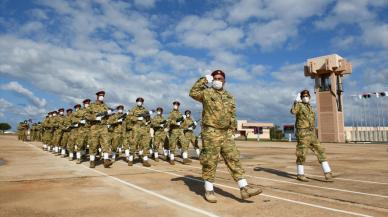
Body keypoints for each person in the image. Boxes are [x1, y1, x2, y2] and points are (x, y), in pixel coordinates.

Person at [189, 69, 262, 203]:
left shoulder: (229, 96)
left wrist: (232, 129)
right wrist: (204, 80)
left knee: (233, 159)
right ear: (212, 80)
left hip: (226, 133)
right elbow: (192, 92)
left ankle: (244, 188)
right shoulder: (206, 93)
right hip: (211, 132)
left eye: (220, 79)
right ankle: (209, 190)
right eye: (215, 78)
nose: (218, 80)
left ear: (224, 81)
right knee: (210, 161)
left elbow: (232, 114)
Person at [290, 89, 334, 182]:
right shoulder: (299, 105)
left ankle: (328, 172)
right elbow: (293, 112)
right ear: (301, 98)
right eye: (303, 96)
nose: (305, 97)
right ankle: (300, 174)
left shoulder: (310, 107)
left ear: (309, 97)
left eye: (307, 96)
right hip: (302, 133)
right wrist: (296, 102)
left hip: (311, 133)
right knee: (302, 153)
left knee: (320, 150)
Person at [85, 91, 113, 168]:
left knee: (106, 143)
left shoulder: (105, 106)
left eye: (103, 96)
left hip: (103, 127)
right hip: (94, 127)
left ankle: (106, 160)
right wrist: (95, 118)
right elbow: (86, 115)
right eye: (100, 95)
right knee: (93, 144)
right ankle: (92, 161)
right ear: (97, 96)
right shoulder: (92, 105)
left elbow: (108, 118)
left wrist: (109, 115)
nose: (102, 97)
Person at [127, 97, 152, 167]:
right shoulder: (133, 109)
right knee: (133, 143)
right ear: (136, 102)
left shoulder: (145, 110)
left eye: (141, 101)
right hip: (136, 128)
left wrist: (148, 121)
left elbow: (149, 118)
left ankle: (145, 160)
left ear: (142, 102)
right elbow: (129, 117)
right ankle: (131, 159)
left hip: (144, 129)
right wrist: (137, 118)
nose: (139, 102)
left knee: (145, 144)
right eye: (138, 101)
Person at [168, 101, 191, 165]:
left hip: (180, 131)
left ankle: (185, 159)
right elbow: (169, 121)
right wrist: (176, 123)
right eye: (175, 105)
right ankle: (172, 159)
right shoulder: (171, 113)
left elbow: (183, 123)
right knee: (173, 145)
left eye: (177, 105)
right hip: (174, 130)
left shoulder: (181, 114)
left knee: (184, 143)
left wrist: (187, 126)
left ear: (178, 106)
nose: (176, 106)